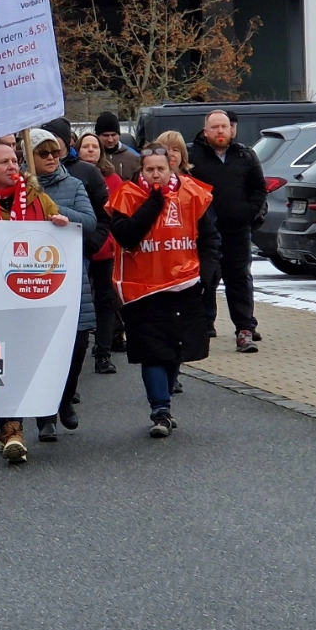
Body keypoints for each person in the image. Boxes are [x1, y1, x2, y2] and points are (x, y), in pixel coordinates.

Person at [0, 139, 70, 463]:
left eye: (14, 160)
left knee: (28, 360)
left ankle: (41, 413)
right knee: (4, 362)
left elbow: (58, 236)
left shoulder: (38, 199)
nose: (12, 166)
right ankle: (12, 430)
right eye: (4, 162)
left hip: (33, 297)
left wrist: (60, 226)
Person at [107, 145, 221, 437]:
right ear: (141, 171)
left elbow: (209, 239)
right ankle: (160, 410)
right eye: (149, 169)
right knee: (152, 352)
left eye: (161, 169)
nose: (155, 174)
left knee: (174, 350)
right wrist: (154, 203)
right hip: (142, 290)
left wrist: (207, 276)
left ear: (171, 168)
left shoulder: (192, 193)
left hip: (184, 286)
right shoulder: (128, 195)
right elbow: (126, 236)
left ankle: (164, 401)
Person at [28, 129, 98, 442]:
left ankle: (67, 396)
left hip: (69, 276)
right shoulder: (21, 187)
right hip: (31, 276)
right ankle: (45, 415)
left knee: (78, 344)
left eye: (55, 152)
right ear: (30, 156)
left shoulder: (73, 184)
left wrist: (57, 211)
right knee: (42, 347)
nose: (51, 158)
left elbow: (90, 221)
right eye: (43, 153)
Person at [187, 109, 266, 353]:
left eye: (224, 126)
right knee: (206, 278)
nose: (220, 131)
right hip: (204, 232)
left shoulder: (245, 155)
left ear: (231, 129)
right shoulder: (193, 156)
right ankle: (202, 326)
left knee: (239, 278)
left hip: (237, 230)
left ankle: (244, 329)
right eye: (215, 127)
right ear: (205, 131)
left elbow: (259, 189)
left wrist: (248, 213)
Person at [77, 132, 125, 374]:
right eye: (85, 146)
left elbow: (117, 214)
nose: (90, 150)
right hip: (80, 249)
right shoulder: (73, 175)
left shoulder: (113, 179)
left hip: (105, 249)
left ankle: (103, 352)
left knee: (106, 300)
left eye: (94, 147)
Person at [94, 111, 140, 180]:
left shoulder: (134, 158)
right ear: (97, 136)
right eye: (105, 135)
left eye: (113, 135)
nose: (110, 140)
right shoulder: (91, 157)